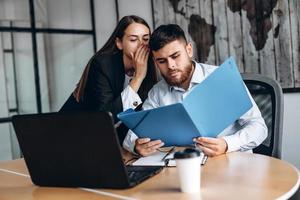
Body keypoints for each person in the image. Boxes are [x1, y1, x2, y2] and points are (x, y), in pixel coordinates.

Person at [123, 24, 267, 157]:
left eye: (175, 56)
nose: (171, 66)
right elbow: (133, 134)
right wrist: (136, 146)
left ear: (189, 50)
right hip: (184, 167)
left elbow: (259, 127)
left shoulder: (221, 79)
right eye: (162, 61)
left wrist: (227, 144)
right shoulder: (157, 92)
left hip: (230, 162)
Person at [60, 15, 157, 143]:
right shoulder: (102, 64)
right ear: (119, 43)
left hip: (102, 140)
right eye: (134, 40)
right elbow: (106, 118)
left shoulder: (149, 66)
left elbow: (138, 116)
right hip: (69, 133)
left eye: (146, 39)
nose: (141, 45)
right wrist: (138, 78)